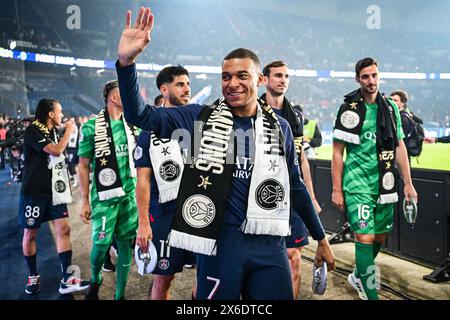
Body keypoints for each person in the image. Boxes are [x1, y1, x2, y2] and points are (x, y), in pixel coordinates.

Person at [116, 7, 334, 300]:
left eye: (242, 76)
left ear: (259, 80)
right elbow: (140, 116)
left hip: (269, 245)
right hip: (220, 244)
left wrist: (321, 237)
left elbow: (295, 185)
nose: (232, 83)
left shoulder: (279, 127)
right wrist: (126, 63)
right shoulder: (198, 118)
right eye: (225, 77)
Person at [332, 57, 418, 300]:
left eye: (374, 75)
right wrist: (337, 189)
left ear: (379, 76)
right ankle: (371, 294)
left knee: (379, 237)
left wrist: (408, 183)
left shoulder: (390, 107)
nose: (371, 81)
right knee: (365, 237)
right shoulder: (349, 109)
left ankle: (359, 274)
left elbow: (400, 145)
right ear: (358, 79)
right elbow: (337, 152)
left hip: (385, 185)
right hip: (357, 184)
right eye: (365, 76)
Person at [260, 60, 322, 299]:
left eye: (286, 76)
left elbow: (301, 158)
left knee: (294, 256)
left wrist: (312, 197)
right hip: (260, 198)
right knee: (259, 263)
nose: (283, 80)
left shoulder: (295, 115)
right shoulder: (251, 110)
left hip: (291, 197)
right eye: (277, 75)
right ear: (264, 79)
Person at [134, 65, 196, 300]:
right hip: (164, 214)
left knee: (207, 274)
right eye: (180, 84)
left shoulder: (195, 122)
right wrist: (143, 223)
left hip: (196, 212)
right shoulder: (150, 130)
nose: (187, 88)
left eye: (188, 84)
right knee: (163, 278)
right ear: (164, 88)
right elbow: (143, 180)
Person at [19, 98, 89, 295]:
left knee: (64, 229)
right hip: (34, 192)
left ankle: (67, 278)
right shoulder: (33, 129)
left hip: (54, 192)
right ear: (50, 114)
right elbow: (56, 150)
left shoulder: (51, 131)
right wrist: (69, 131)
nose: (62, 114)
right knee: (30, 234)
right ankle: (33, 275)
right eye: (59, 111)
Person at [78, 80, 140, 300]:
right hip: (104, 199)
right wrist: (84, 200)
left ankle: (119, 295)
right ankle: (95, 278)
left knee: (125, 245)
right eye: (125, 93)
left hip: (129, 198)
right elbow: (83, 165)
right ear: (114, 97)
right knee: (100, 246)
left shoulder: (133, 126)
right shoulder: (91, 127)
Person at [389, 90, 424, 159]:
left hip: (400, 157)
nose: (391, 102)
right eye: (390, 100)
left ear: (403, 103)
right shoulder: (399, 115)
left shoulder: (403, 118)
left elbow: (399, 141)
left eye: (395, 100)